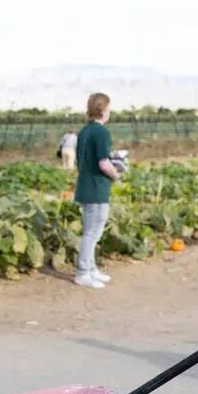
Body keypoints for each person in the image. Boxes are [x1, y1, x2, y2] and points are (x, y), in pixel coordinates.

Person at [73, 93, 121, 289]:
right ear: (102, 110)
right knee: (93, 232)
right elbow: (103, 163)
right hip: (97, 188)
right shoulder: (102, 132)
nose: (110, 111)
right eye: (108, 108)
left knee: (90, 231)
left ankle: (91, 269)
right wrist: (117, 174)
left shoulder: (84, 131)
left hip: (85, 186)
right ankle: (83, 272)